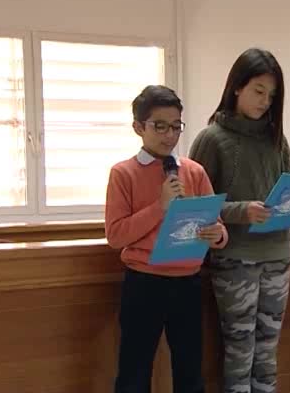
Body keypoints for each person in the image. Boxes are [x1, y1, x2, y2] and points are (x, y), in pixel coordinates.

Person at [188, 48, 290, 393]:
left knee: (268, 352)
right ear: (237, 87)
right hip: (236, 260)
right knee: (240, 351)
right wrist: (242, 211)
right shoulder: (212, 139)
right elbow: (195, 209)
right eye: (258, 91)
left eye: (271, 96)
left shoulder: (275, 138)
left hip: (277, 257)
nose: (264, 102)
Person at [105, 85, 228, 393]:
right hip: (144, 282)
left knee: (190, 371)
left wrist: (218, 235)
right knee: (134, 370)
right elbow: (116, 235)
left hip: (187, 282)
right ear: (138, 127)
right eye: (160, 126)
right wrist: (159, 207)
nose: (169, 135)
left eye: (176, 126)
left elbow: (217, 224)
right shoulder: (123, 173)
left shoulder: (194, 171)